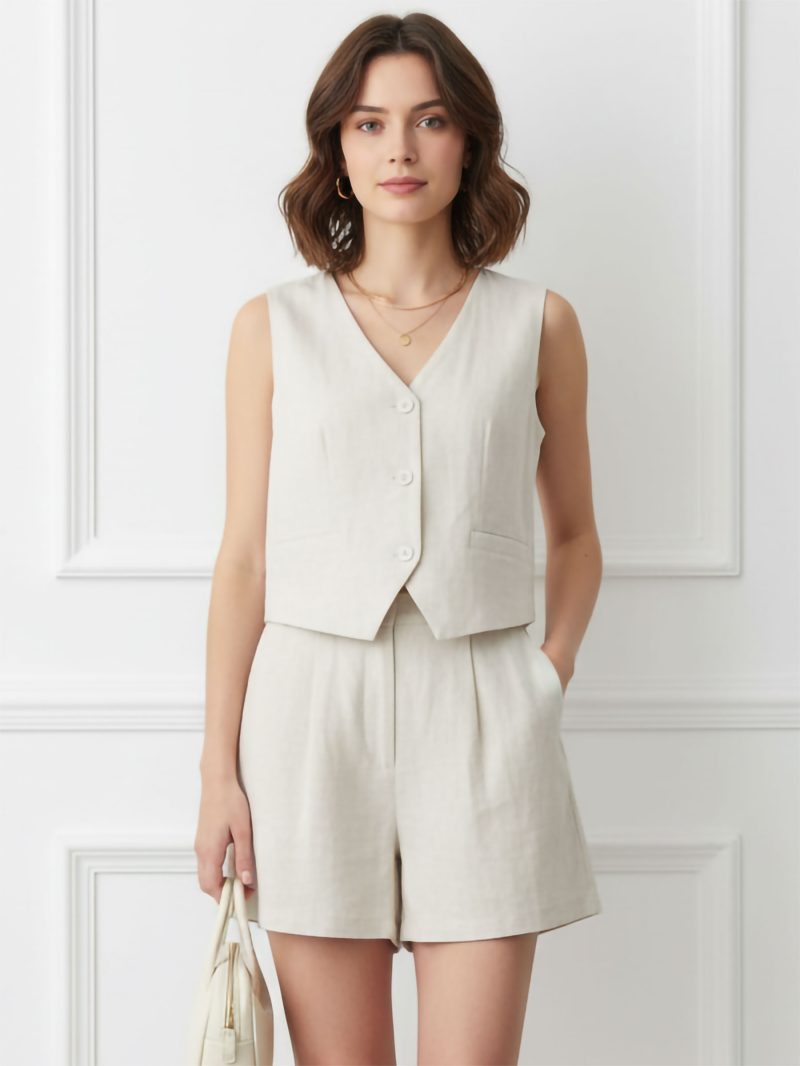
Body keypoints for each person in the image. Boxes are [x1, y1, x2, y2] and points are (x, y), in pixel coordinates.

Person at [194, 12, 603, 1064]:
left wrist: (543, 677)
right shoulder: (270, 327)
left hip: (484, 712)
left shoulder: (539, 323)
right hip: (307, 720)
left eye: (429, 120)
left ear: (469, 141)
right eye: (369, 124)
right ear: (336, 149)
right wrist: (216, 771)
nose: (400, 149)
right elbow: (244, 559)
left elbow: (575, 537)